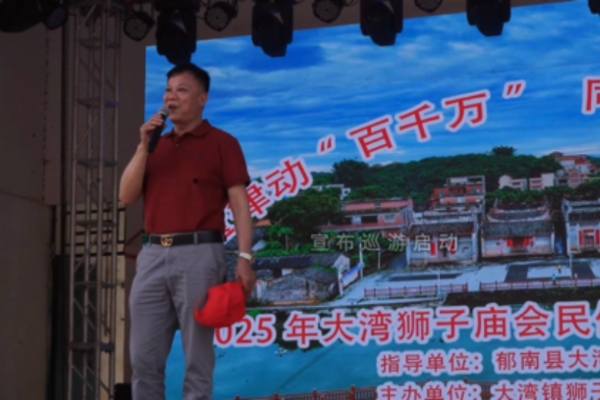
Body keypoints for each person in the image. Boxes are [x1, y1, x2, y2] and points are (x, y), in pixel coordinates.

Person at [119, 62, 256, 400]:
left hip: (199, 253)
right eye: (168, 90)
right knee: (143, 358)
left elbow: (240, 204)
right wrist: (142, 146)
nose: (172, 97)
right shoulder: (155, 145)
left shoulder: (222, 143)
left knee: (197, 357)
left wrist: (244, 256)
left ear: (201, 99)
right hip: (152, 255)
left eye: (181, 90)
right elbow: (126, 195)